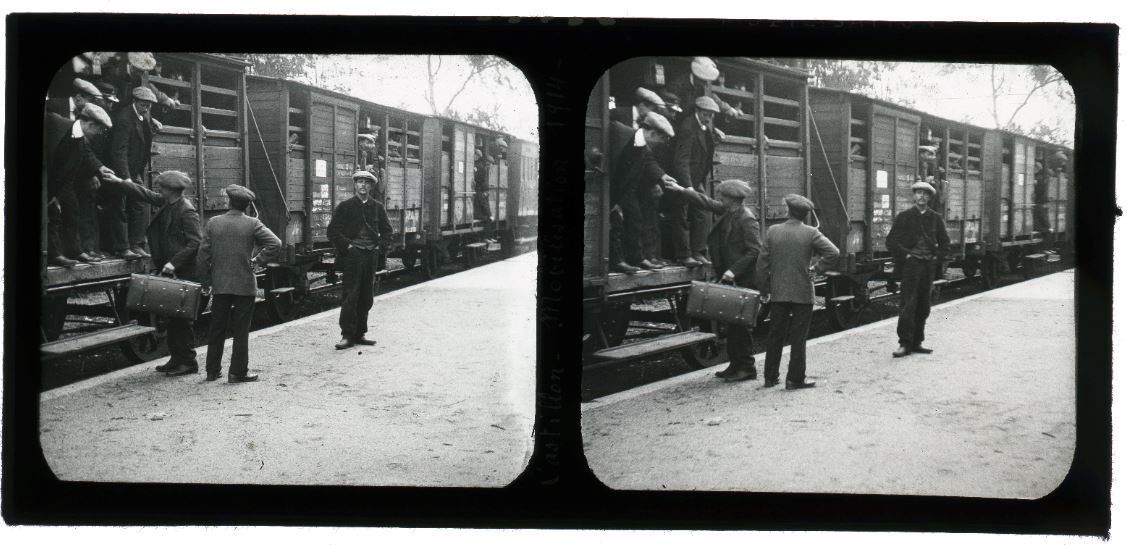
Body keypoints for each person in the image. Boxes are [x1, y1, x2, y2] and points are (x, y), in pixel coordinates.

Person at [662, 178, 763, 382]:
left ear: (732, 199)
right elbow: (706, 202)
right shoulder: (729, 211)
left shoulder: (746, 219)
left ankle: (747, 368)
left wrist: (733, 271)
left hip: (742, 279)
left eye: (723, 196)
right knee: (731, 323)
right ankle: (735, 365)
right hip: (729, 276)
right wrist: (683, 189)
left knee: (740, 327)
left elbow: (755, 251)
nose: (720, 199)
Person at [108, 171, 203, 375]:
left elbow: (196, 243)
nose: (159, 190)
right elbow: (145, 194)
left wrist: (173, 264)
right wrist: (120, 182)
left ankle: (188, 362)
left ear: (170, 190)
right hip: (169, 269)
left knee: (182, 320)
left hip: (183, 270)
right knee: (171, 316)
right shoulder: (168, 203)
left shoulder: (186, 211)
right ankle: (176, 359)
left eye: (162, 187)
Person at [197, 185, 282, 383]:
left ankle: (211, 371)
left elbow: (202, 256)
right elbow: (275, 243)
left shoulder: (213, 223)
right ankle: (237, 372)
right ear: (247, 206)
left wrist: (206, 281)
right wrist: (257, 260)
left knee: (217, 328)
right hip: (244, 285)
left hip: (221, 285)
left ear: (229, 202)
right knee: (241, 330)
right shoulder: (253, 224)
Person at [755, 194, 840, 390]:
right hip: (802, 292)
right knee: (798, 338)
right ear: (804, 214)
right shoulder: (811, 233)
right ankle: (795, 379)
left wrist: (764, 289)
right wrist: (816, 269)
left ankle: (769, 377)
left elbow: (761, 265)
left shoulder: (773, 231)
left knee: (775, 335)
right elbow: (833, 252)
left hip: (779, 292)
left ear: (788, 210)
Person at [43, 103, 120, 267]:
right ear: (90, 124)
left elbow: (86, 155)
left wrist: (100, 168)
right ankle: (54, 254)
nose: (99, 134)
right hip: (47, 178)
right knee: (52, 215)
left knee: (73, 210)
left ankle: (74, 251)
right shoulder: (56, 124)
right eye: (99, 130)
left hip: (63, 182)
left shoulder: (81, 138)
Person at [327, 170, 394, 350]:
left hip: (370, 255)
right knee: (351, 295)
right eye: (360, 182)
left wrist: (380, 247)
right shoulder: (345, 206)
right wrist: (348, 246)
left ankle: (360, 333)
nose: (363, 185)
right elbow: (333, 231)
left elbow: (388, 231)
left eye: (367, 182)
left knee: (366, 296)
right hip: (353, 257)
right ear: (355, 185)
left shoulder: (377, 207)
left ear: (371, 186)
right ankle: (347, 335)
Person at [607, 111, 678, 273]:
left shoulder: (644, 148)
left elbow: (649, 163)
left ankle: (637, 258)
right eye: (662, 139)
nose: (661, 144)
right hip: (609, 187)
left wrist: (663, 176)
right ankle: (616, 261)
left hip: (625, 190)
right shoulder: (619, 132)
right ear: (652, 133)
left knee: (635, 218)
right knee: (615, 222)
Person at [886, 181, 949, 358]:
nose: (921, 196)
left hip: (927, 265)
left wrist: (937, 258)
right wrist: (906, 255)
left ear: (929, 198)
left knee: (924, 305)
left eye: (925, 194)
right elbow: (891, 241)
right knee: (908, 304)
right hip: (911, 266)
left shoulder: (935, 218)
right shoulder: (904, 216)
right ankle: (904, 343)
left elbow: (945, 242)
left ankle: (917, 342)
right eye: (918, 193)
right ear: (914, 196)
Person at [668, 95, 723, 267]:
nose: (709, 118)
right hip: (682, 177)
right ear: (698, 111)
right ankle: (684, 255)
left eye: (712, 115)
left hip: (695, 177)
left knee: (703, 212)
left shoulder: (704, 126)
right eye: (706, 114)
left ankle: (698, 251)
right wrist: (688, 187)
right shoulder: (687, 127)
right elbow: (680, 160)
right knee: (681, 214)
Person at [108, 86, 159, 259]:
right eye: (143, 104)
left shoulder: (142, 116)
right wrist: (126, 178)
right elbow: (118, 151)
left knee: (141, 202)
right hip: (120, 170)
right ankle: (122, 247)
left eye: (148, 105)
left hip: (134, 168)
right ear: (134, 101)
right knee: (119, 206)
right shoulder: (124, 118)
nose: (146, 108)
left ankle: (136, 244)